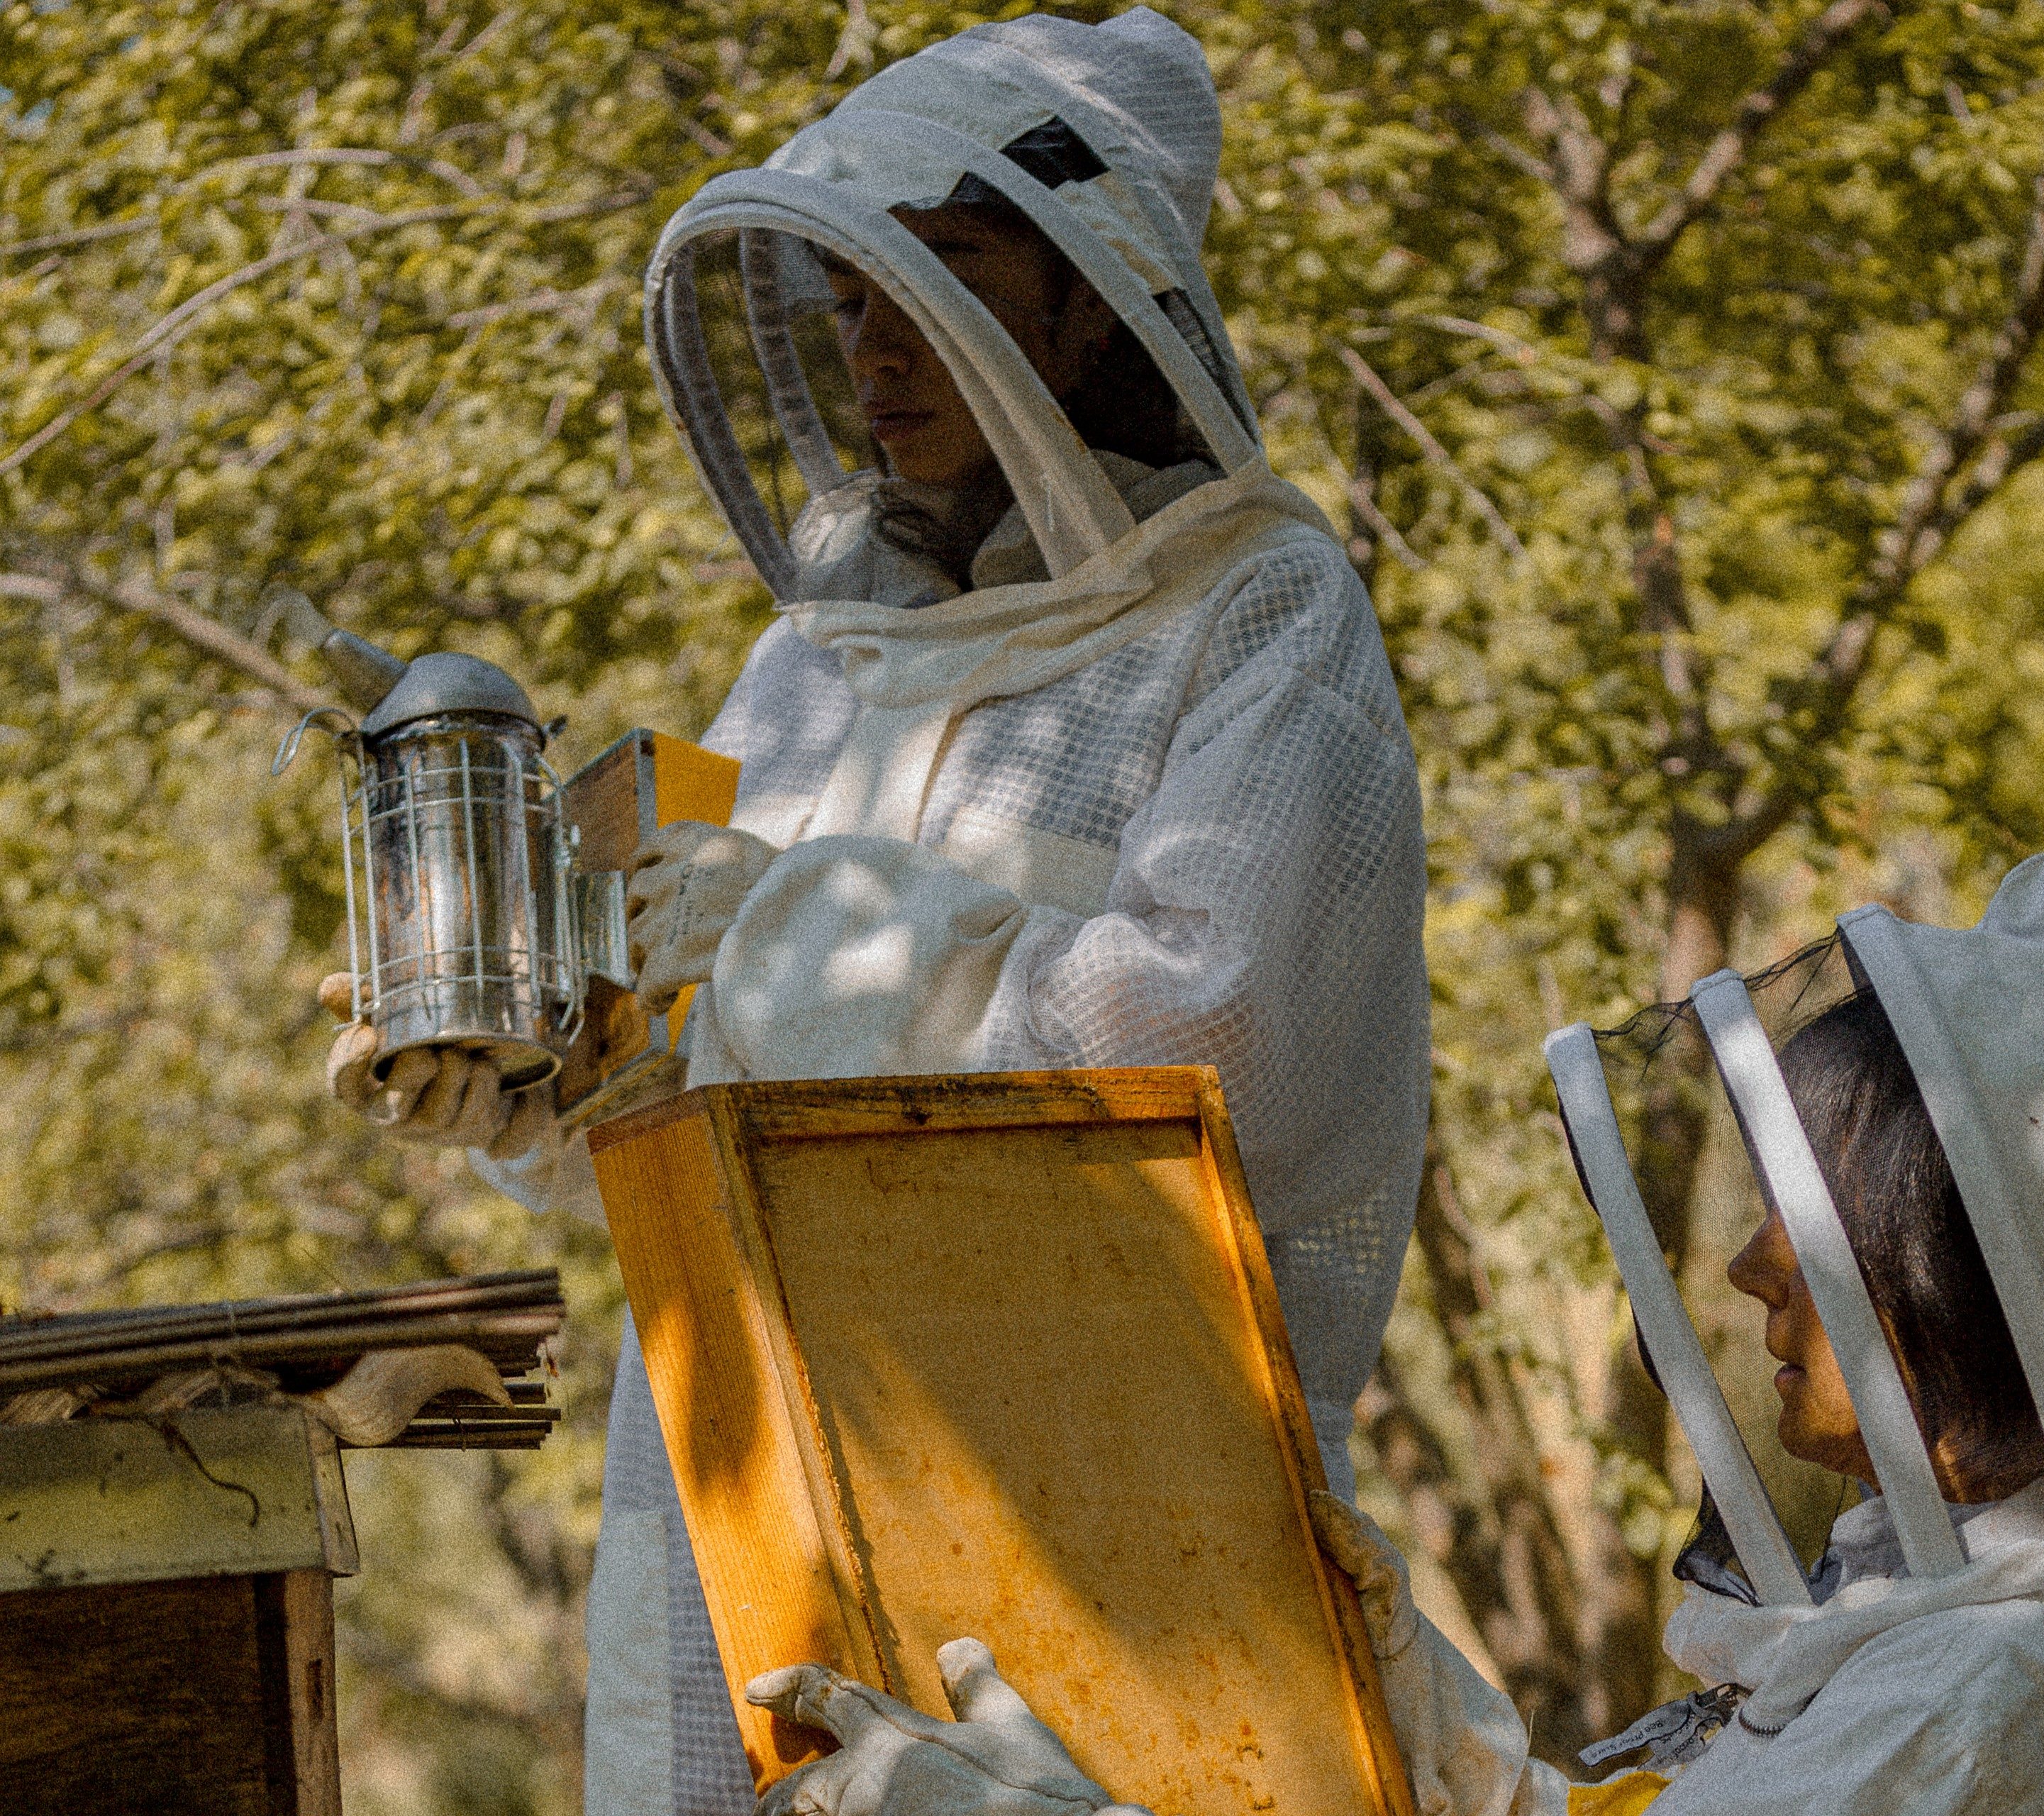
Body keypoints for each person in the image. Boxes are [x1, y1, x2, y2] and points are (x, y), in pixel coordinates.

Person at [319, 13, 1429, 1816]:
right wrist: (530, 1080)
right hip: (750, 1478)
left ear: (1088, 300)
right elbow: (703, 1053)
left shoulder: (1263, 620)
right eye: (844, 299)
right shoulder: (819, 659)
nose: (874, 349)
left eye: (941, 282)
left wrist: (792, 934)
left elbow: (1218, 1040)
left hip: (1093, 1502)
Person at [736, 854, 2044, 1815]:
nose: (1748, 1266)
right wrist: (1410, 1696)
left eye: (1818, 1213)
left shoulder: (1993, 1686)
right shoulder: (1955, 1617)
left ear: (1977, 1282)